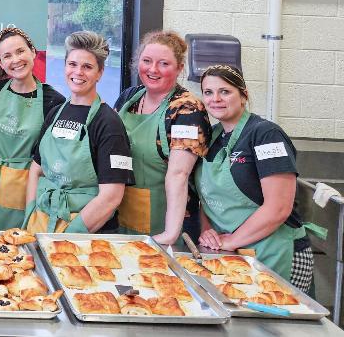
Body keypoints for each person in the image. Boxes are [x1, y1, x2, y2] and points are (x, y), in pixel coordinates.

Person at [196, 65, 313, 291]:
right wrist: (206, 229)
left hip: (274, 252)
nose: (215, 99)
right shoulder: (212, 137)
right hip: (230, 253)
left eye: (225, 91)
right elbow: (207, 195)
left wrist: (232, 240)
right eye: (208, 92)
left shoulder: (266, 135)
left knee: (276, 322)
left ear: (243, 95)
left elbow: (279, 208)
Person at [25, 32, 134, 233]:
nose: (78, 72)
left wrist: (71, 234)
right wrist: (30, 211)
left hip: (85, 233)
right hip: (44, 222)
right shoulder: (55, 113)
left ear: (100, 72)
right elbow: (36, 168)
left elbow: (111, 196)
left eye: (87, 67)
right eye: (72, 64)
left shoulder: (109, 123)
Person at [114, 30, 211, 245]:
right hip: (124, 212)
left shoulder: (187, 109)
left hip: (167, 222)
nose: (153, 69)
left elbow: (179, 174)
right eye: (146, 61)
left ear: (179, 68)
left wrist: (169, 234)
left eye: (164, 64)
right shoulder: (129, 98)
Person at [0, 27, 65, 230]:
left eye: (20, 51)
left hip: (25, 191)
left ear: (33, 52)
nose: (15, 60)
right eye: (7, 56)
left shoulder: (54, 101)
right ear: (1, 63)